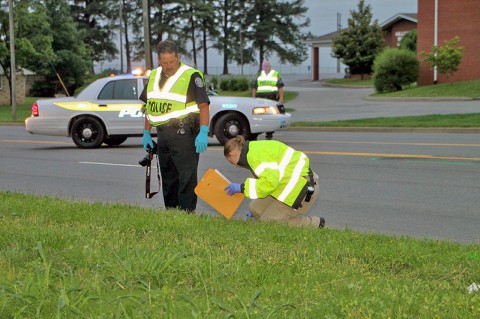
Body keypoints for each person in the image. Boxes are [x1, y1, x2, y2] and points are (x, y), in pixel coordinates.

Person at [140, 40, 210, 213]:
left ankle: (186, 215)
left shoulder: (191, 76)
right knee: (168, 178)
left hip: (184, 134)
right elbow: (149, 106)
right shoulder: (154, 75)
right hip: (162, 135)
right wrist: (146, 132)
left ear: (178, 57)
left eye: (171, 62)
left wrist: (203, 131)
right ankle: (171, 214)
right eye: (164, 62)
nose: (168, 66)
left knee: (186, 179)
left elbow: (203, 105)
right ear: (158, 60)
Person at [223, 135, 325, 228]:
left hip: (301, 190)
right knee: (254, 209)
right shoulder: (252, 149)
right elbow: (267, 179)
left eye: (231, 162)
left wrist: (242, 188)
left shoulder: (255, 157)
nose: (235, 166)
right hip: (285, 185)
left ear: (232, 154)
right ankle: (268, 220)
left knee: (268, 222)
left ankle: (314, 223)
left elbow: (270, 183)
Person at [252, 60, 285, 140]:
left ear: (270, 66)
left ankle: (269, 134)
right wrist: (253, 98)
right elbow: (254, 87)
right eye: (263, 66)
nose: (265, 68)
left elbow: (280, 87)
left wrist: (281, 98)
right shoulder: (260, 74)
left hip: (272, 98)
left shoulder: (275, 74)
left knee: (270, 116)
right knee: (258, 116)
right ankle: (255, 134)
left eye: (267, 66)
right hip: (260, 99)